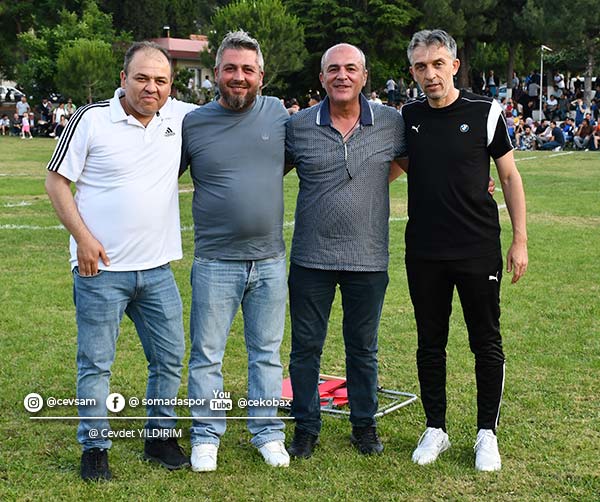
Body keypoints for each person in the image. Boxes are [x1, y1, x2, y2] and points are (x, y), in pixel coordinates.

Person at [45, 41, 196, 481]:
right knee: (96, 364)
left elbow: (229, 109)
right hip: (100, 270)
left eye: (161, 80)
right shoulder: (91, 119)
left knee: (169, 358)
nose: (152, 87)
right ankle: (95, 447)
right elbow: (56, 181)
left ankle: (159, 437)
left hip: (157, 270)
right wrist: (83, 239)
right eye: (142, 78)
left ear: (171, 85)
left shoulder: (180, 117)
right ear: (123, 78)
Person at [401, 29, 528, 472]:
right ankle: (435, 428)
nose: (430, 74)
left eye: (438, 64)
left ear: (454, 66)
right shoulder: (408, 115)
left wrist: (519, 240)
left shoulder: (485, 111)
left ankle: (486, 433)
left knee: (485, 341)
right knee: (429, 343)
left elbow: (508, 177)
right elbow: (399, 165)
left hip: (477, 248)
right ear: (413, 72)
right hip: (424, 251)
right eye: (421, 66)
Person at [285, 43, 407, 459]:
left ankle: (364, 426)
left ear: (364, 76)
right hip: (310, 258)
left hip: (368, 258)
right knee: (305, 348)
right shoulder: (298, 126)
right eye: (333, 69)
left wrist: (474, 182)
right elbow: (264, 173)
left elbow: (424, 166)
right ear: (321, 78)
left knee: (363, 347)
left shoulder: (390, 122)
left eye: (351, 68)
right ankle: (306, 427)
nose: (342, 75)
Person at [181, 30, 290, 473]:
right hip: (215, 262)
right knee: (207, 355)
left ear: (261, 75)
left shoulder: (279, 114)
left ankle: (267, 432)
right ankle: (206, 436)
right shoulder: (193, 123)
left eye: (247, 69)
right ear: (216, 74)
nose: (238, 77)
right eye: (230, 69)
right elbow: (154, 173)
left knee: (266, 353)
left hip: (270, 260)